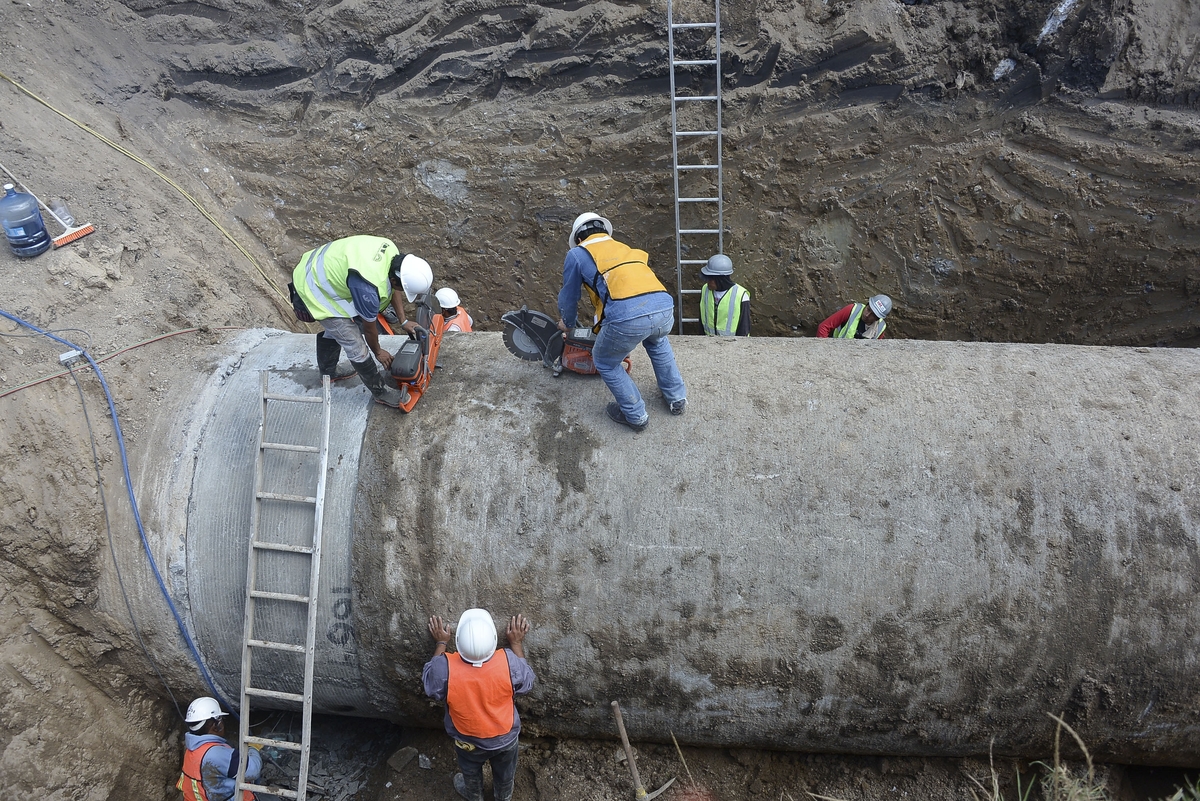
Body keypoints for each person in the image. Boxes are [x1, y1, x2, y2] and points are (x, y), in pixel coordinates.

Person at [556, 212, 687, 431]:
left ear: (578, 239)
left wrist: (568, 323)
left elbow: (569, 296)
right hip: (664, 307)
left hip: (628, 316)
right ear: (605, 232)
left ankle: (635, 415)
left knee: (605, 361)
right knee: (657, 341)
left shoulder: (577, 254)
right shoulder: (623, 248)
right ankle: (676, 397)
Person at [290, 235, 433, 407]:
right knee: (354, 342)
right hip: (311, 289)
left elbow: (394, 287)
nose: (400, 289)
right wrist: (378, 352)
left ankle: (329, 372)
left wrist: (403, 321)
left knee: (337, 331)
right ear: (396, 279)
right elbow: (369, 328)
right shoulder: (368, 286)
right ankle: (380, 392)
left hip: (322, 270)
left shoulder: (392, 254)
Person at [423, 610, 535, 801]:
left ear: (457, 640)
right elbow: (527, 683)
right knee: (505, 773)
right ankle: (503, 796)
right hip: (505, 738)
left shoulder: (445, 667)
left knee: (470, 772)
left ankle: (475, 796)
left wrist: (441, 643)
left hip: (468, 740)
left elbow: (430, 685)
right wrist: (516, 643)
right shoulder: (509, 662)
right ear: (493, 638)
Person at [178, 696, 261, 801]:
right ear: (215, 725)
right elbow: (253, 770)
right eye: (221, 720)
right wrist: (253, 748)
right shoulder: (216, 754)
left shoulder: (192, 749)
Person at [699, 254, 750, 337]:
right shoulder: (705, 290)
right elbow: (701, 320)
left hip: (732, 345)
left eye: (710, 279)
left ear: (720, 279)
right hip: (708, 344)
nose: (707, 282)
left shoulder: (741, 295)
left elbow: (744, 328)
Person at [816, 294, 893, 339]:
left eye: (872, 315)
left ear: (877, 318)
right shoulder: (852, 310)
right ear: (866, 305)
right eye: (868, 309)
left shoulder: (880, 328)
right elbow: (824, 327)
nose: (867, 315)